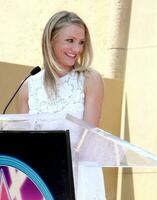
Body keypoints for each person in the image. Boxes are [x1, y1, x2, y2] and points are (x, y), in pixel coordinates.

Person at [18, 10, 106, 200]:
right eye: (70, 40)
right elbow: (22, 144)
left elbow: (88, 137)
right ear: (51, 40)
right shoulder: (28, 86)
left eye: (81, 42)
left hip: (80, 177)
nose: (77, 49)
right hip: (39, 177)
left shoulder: (90, 79)